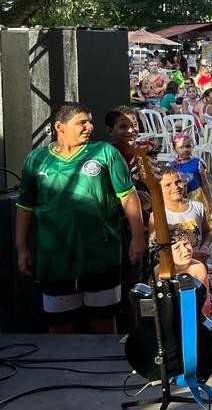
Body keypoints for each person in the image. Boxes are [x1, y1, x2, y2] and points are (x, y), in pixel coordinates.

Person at [16, 102, 146, 335]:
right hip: (55, 257)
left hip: (101, 254)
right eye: (81, 122)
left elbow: (128, 196)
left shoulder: (105, 153)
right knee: (60, 326)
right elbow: (25, 206)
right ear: (60, 126)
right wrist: (22, 246)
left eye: (90, 121)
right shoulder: (36, 159)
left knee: (103, 322)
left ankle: (105, 370)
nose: (89, 127)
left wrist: (138, 237)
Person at [154, 164, 211, 259]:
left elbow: (207, 232)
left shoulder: (197, 207)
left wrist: (205, 246)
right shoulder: (158, 215)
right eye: (168, 185)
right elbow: (156, 248)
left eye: (178, 182)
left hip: (198, 265)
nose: (175, 187)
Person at [171, 131, 212, 240]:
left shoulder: (198, 163)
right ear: (174, 149)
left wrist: (210, 202)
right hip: (181, 197)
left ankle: (200, 243)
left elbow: (204, 184)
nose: (185, 149)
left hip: (197, 198)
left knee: (200, 222)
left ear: (193, 146)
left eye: (188, 146)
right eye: (181, 147)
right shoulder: (171, 166)